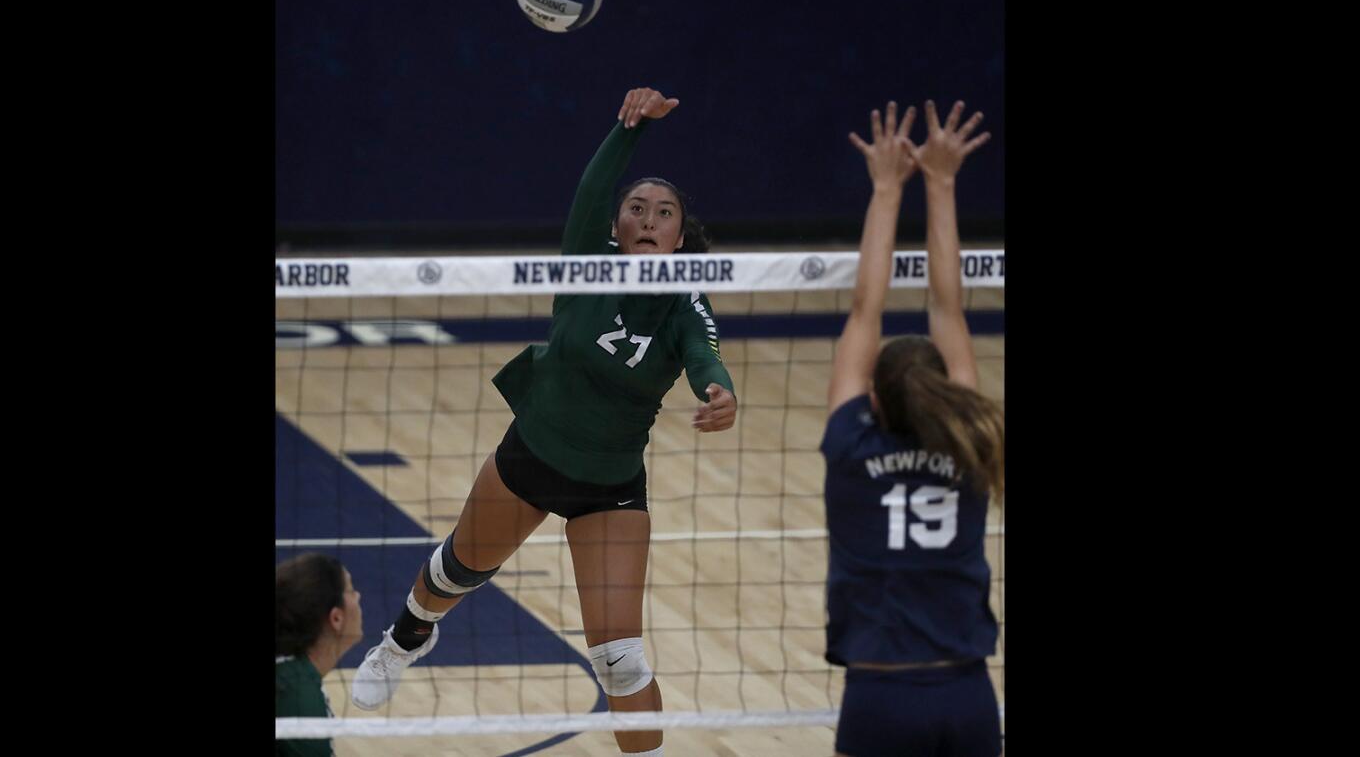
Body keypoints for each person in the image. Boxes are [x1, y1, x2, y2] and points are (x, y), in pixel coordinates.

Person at [351, 87, 738, 757]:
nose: (647, 220)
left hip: (610, 486)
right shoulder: (586, 264)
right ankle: (405, 639)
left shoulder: (685, 301)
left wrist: (719, 392)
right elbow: (593, 187)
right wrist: (629, 129)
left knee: (619, 656)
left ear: (680, 236)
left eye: (663, 213)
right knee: (453, 575)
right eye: (636, 210)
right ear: (615, 227)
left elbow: (706, 353)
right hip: (533, 456)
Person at [822, 100, 1004, 757]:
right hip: (968, 697)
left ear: (871, 395)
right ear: (946, 394)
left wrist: (886, 188)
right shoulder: (970, 446)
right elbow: (949, 307)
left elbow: (865, 307)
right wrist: (943, 183)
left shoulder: (850, 447)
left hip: (880, 699)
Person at [276, 552, 366, 757]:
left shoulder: (292, 674)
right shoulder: (299, 698)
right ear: (336, 618)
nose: (358, 596)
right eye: (351, 591)